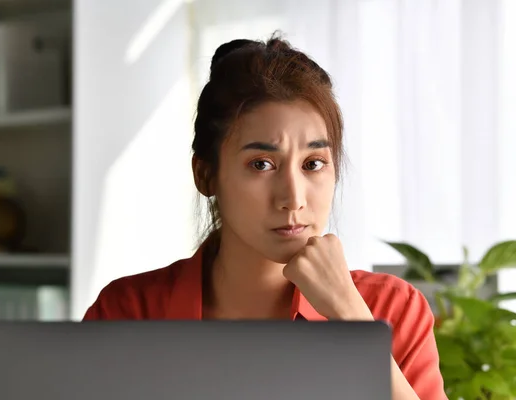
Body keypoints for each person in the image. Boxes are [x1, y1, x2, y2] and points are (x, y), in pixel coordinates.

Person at [84, 35, 447, 400]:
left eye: (313, 164)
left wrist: (352, 319)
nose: (293, 198)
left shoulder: (393, 309)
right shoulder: (129, 313)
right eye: (261, 164)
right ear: (206, 175)